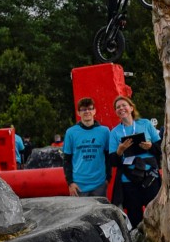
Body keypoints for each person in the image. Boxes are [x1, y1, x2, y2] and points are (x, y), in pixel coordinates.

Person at [108, 96, 162, 228]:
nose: (121, 108)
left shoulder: (145, 124)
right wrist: (120, 150)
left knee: (155, 212)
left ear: (131, 108)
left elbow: (161, 147)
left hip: (150, 177)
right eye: (118, 107)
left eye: (124, 105)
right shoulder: (115, 132)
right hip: (129, 180)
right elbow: (112, 160)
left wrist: (150, 146)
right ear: (116, 112)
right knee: (134, 215)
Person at [63, 98, 112, 197]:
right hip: (78, 185)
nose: (87, 111)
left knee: (101, 212)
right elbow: (66, 160)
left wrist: (108, 178)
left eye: (90, 108)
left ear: (94, 111)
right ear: (78, 112)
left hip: (99, 184)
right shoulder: (71, 132)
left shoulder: (105, 131)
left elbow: (108, 157)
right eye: (83, 109)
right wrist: (70, 183)